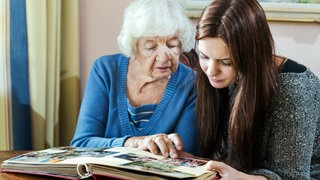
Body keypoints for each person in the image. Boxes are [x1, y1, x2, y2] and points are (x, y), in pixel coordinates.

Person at [193, 0, 320, 179]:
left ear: (251, 54)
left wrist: (239, 177)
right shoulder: (218, 77)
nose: (212, 71)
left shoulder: (294, 89)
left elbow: (293, 177)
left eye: (226, 62)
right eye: (204, 56)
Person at [71, 0, 198, 158]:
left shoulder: (191, 83)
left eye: (172, 45)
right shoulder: (105, 71)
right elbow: (81, 144)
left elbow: (186, 155)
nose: (165, 57)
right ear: (133, 46)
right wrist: (133, 142)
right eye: (151, 48)